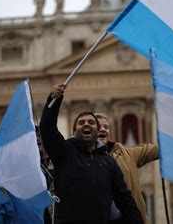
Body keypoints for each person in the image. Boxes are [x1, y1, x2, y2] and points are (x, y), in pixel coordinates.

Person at [40, 84, 143, 224]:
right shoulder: (64, 152)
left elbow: (124, 198)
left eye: (91, 122)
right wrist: (53, 100)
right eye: (81, 123)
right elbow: (47, 129)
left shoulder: (108, 161)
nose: (86, 124)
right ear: (74, 130)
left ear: (98, 130)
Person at [95, 113, 158, 224]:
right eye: (99, 127)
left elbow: (153, 150)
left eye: (106, 127)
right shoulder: (80, 157)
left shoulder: (127, 154)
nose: (103, 130)